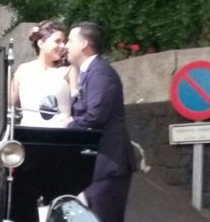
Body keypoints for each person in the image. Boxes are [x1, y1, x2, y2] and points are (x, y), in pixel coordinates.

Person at [65, 21, 137, 222]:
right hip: (100, 165)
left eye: (70, 40)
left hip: (110, 163)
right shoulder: (89, 72)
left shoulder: (100, 72)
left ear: (83, 44)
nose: (66, 46)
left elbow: (95, 116)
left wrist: (68, 126)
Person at [12, 20, 77, 127]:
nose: (63, 46)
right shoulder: (23, 70)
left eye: (63, 41)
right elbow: (8, 103)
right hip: (29, 133)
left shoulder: (69, 69)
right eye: (57, 41)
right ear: (41, 43)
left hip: (59, 134)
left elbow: (78, 101)